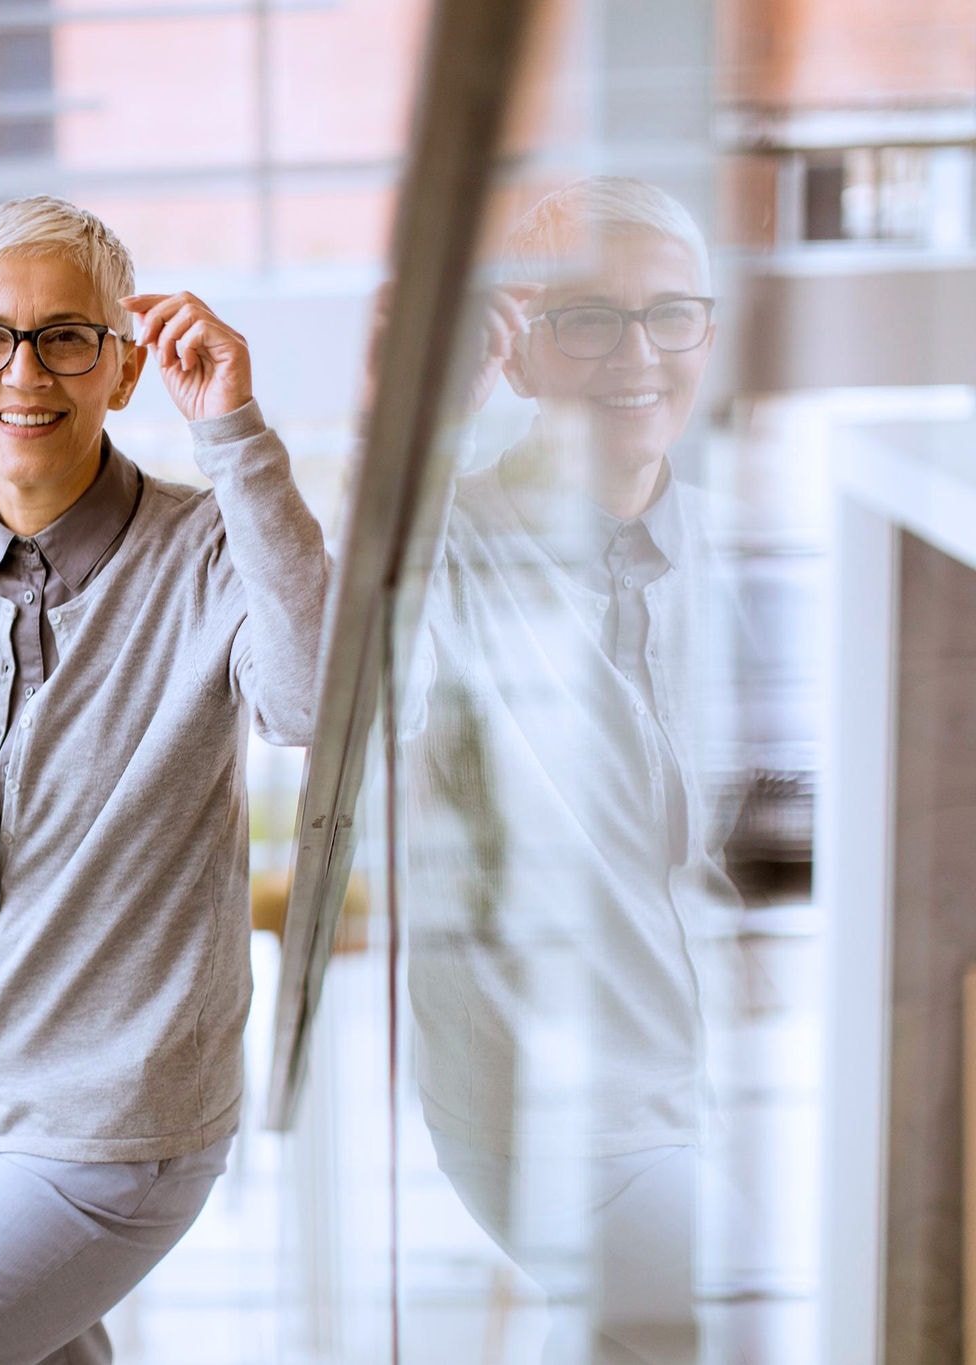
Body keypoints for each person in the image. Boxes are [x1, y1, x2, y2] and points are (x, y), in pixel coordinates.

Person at [0, 196, 331, 1365]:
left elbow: (309, 702)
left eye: (66, 337)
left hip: (113, 1132)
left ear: (123, 368)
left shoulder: (210, 550)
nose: (24, 372)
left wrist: (233, 432)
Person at [399, 176, 743, 1364]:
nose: (637, 355)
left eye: (669, 314)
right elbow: (334, 686)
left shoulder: (736, 546)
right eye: (589, 319)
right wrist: (430, 422)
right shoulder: (444, 545)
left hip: (713, 1088)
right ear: (521, 349)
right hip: (550, 1111)